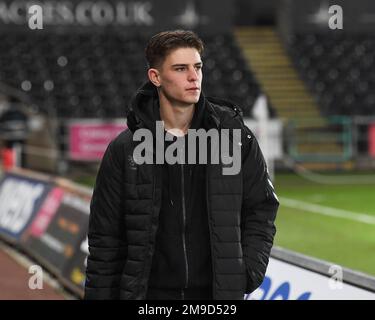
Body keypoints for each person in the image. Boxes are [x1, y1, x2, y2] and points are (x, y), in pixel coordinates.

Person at [84, 30, 279, 300]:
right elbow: (105, 238)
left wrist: (247, 272)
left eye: (197, 67)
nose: (193, 77)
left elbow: (262, 207)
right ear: (156, 77)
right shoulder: (125, 150)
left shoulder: (235, 140)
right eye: (180, 68)